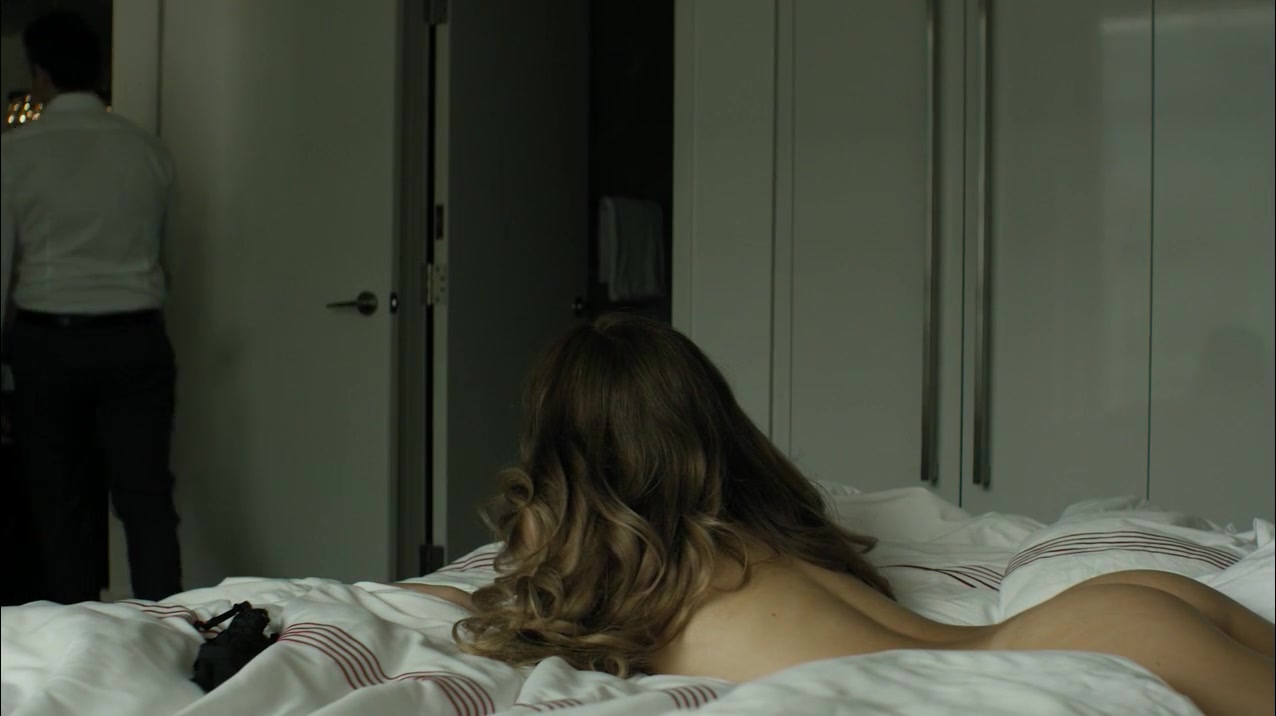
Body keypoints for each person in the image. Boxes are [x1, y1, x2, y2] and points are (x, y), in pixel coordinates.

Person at [400, 313, 1275, 716]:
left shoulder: (604, 557)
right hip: (1110, 610)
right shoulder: (752, 528)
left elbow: (503, 606)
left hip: (1081, 643)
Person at [0, 10, 182, 603]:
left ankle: (76, 634)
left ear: (39, 73)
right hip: (135, 338)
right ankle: (168, 630)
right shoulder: (145, 150)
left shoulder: (14, 153)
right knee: (147, 501)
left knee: (60, 505)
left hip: (48, 342)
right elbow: (166, 256)